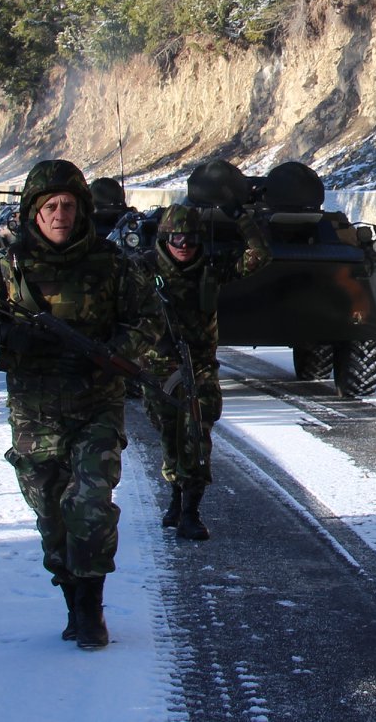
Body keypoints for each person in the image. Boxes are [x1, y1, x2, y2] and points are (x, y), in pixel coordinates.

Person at [0, 159, 152, 649]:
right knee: (52, 516)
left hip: (95, 406)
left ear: (82, 210)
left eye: (69, 205)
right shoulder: (5, 266)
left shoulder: (114, 263)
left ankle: (92, 609)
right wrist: (10, 334)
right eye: (50, 206)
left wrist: (114, 356)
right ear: (33, 213)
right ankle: (70, 597)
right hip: (34, 415)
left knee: (91, 506)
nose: (60, 214)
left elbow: (148, 324)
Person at [136, 201, 271, 540]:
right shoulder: (143, 270)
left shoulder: (210, 268)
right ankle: (176, 499)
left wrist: (242, 218)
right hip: (159, 368)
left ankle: (191, 511)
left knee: (196, 436)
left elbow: (259, 255)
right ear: (165, 239)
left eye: (192, 240)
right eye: (177, 240)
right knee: (170, 436)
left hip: (200, 368)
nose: (185, 248)